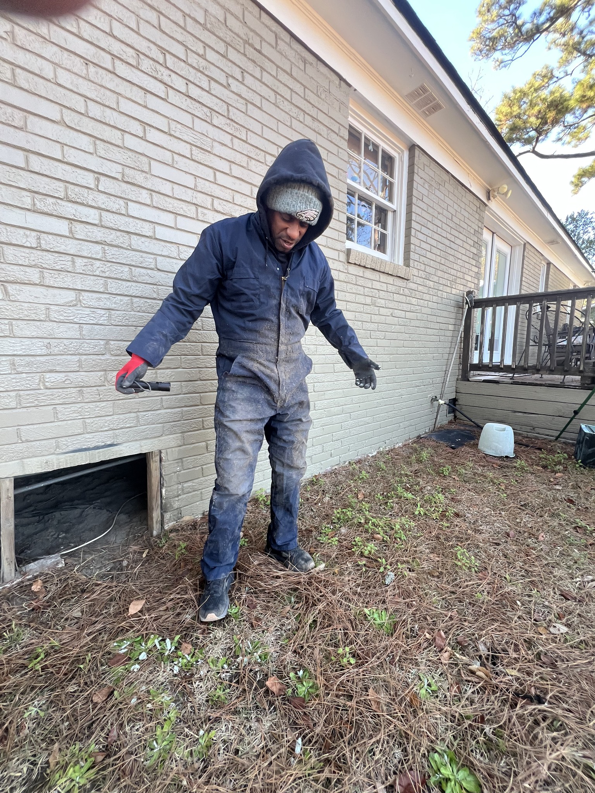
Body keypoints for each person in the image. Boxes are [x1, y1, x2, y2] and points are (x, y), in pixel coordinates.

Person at [116, 139, 379, 622]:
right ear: (268, 201)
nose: (293, 230)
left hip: (293, 384)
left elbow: (329, 314)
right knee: (234, 485)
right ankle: (217, 577)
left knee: (291, 471)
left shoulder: (314, 261)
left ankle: (282, 544)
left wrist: (355, 356)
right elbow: (183, 302)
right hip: (243, 383)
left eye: (305, 223)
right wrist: (143, 355)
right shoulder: (223, 240)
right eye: (287, 217)